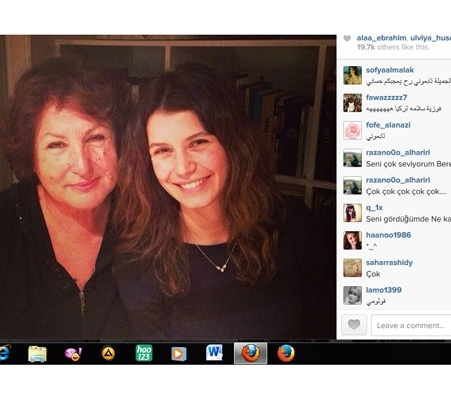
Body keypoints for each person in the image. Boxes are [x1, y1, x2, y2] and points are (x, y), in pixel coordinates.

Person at [113, 63, 334, 340]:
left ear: (233, 143)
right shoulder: (138, 262)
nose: (183, 168)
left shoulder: (296, 228)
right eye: (163, 151)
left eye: (198, 143)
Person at [0, 57, 133, 339]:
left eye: (96, 138)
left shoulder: (148, 217)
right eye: (56, 145)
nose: (82, 166)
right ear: (31, 156)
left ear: (119, 139)